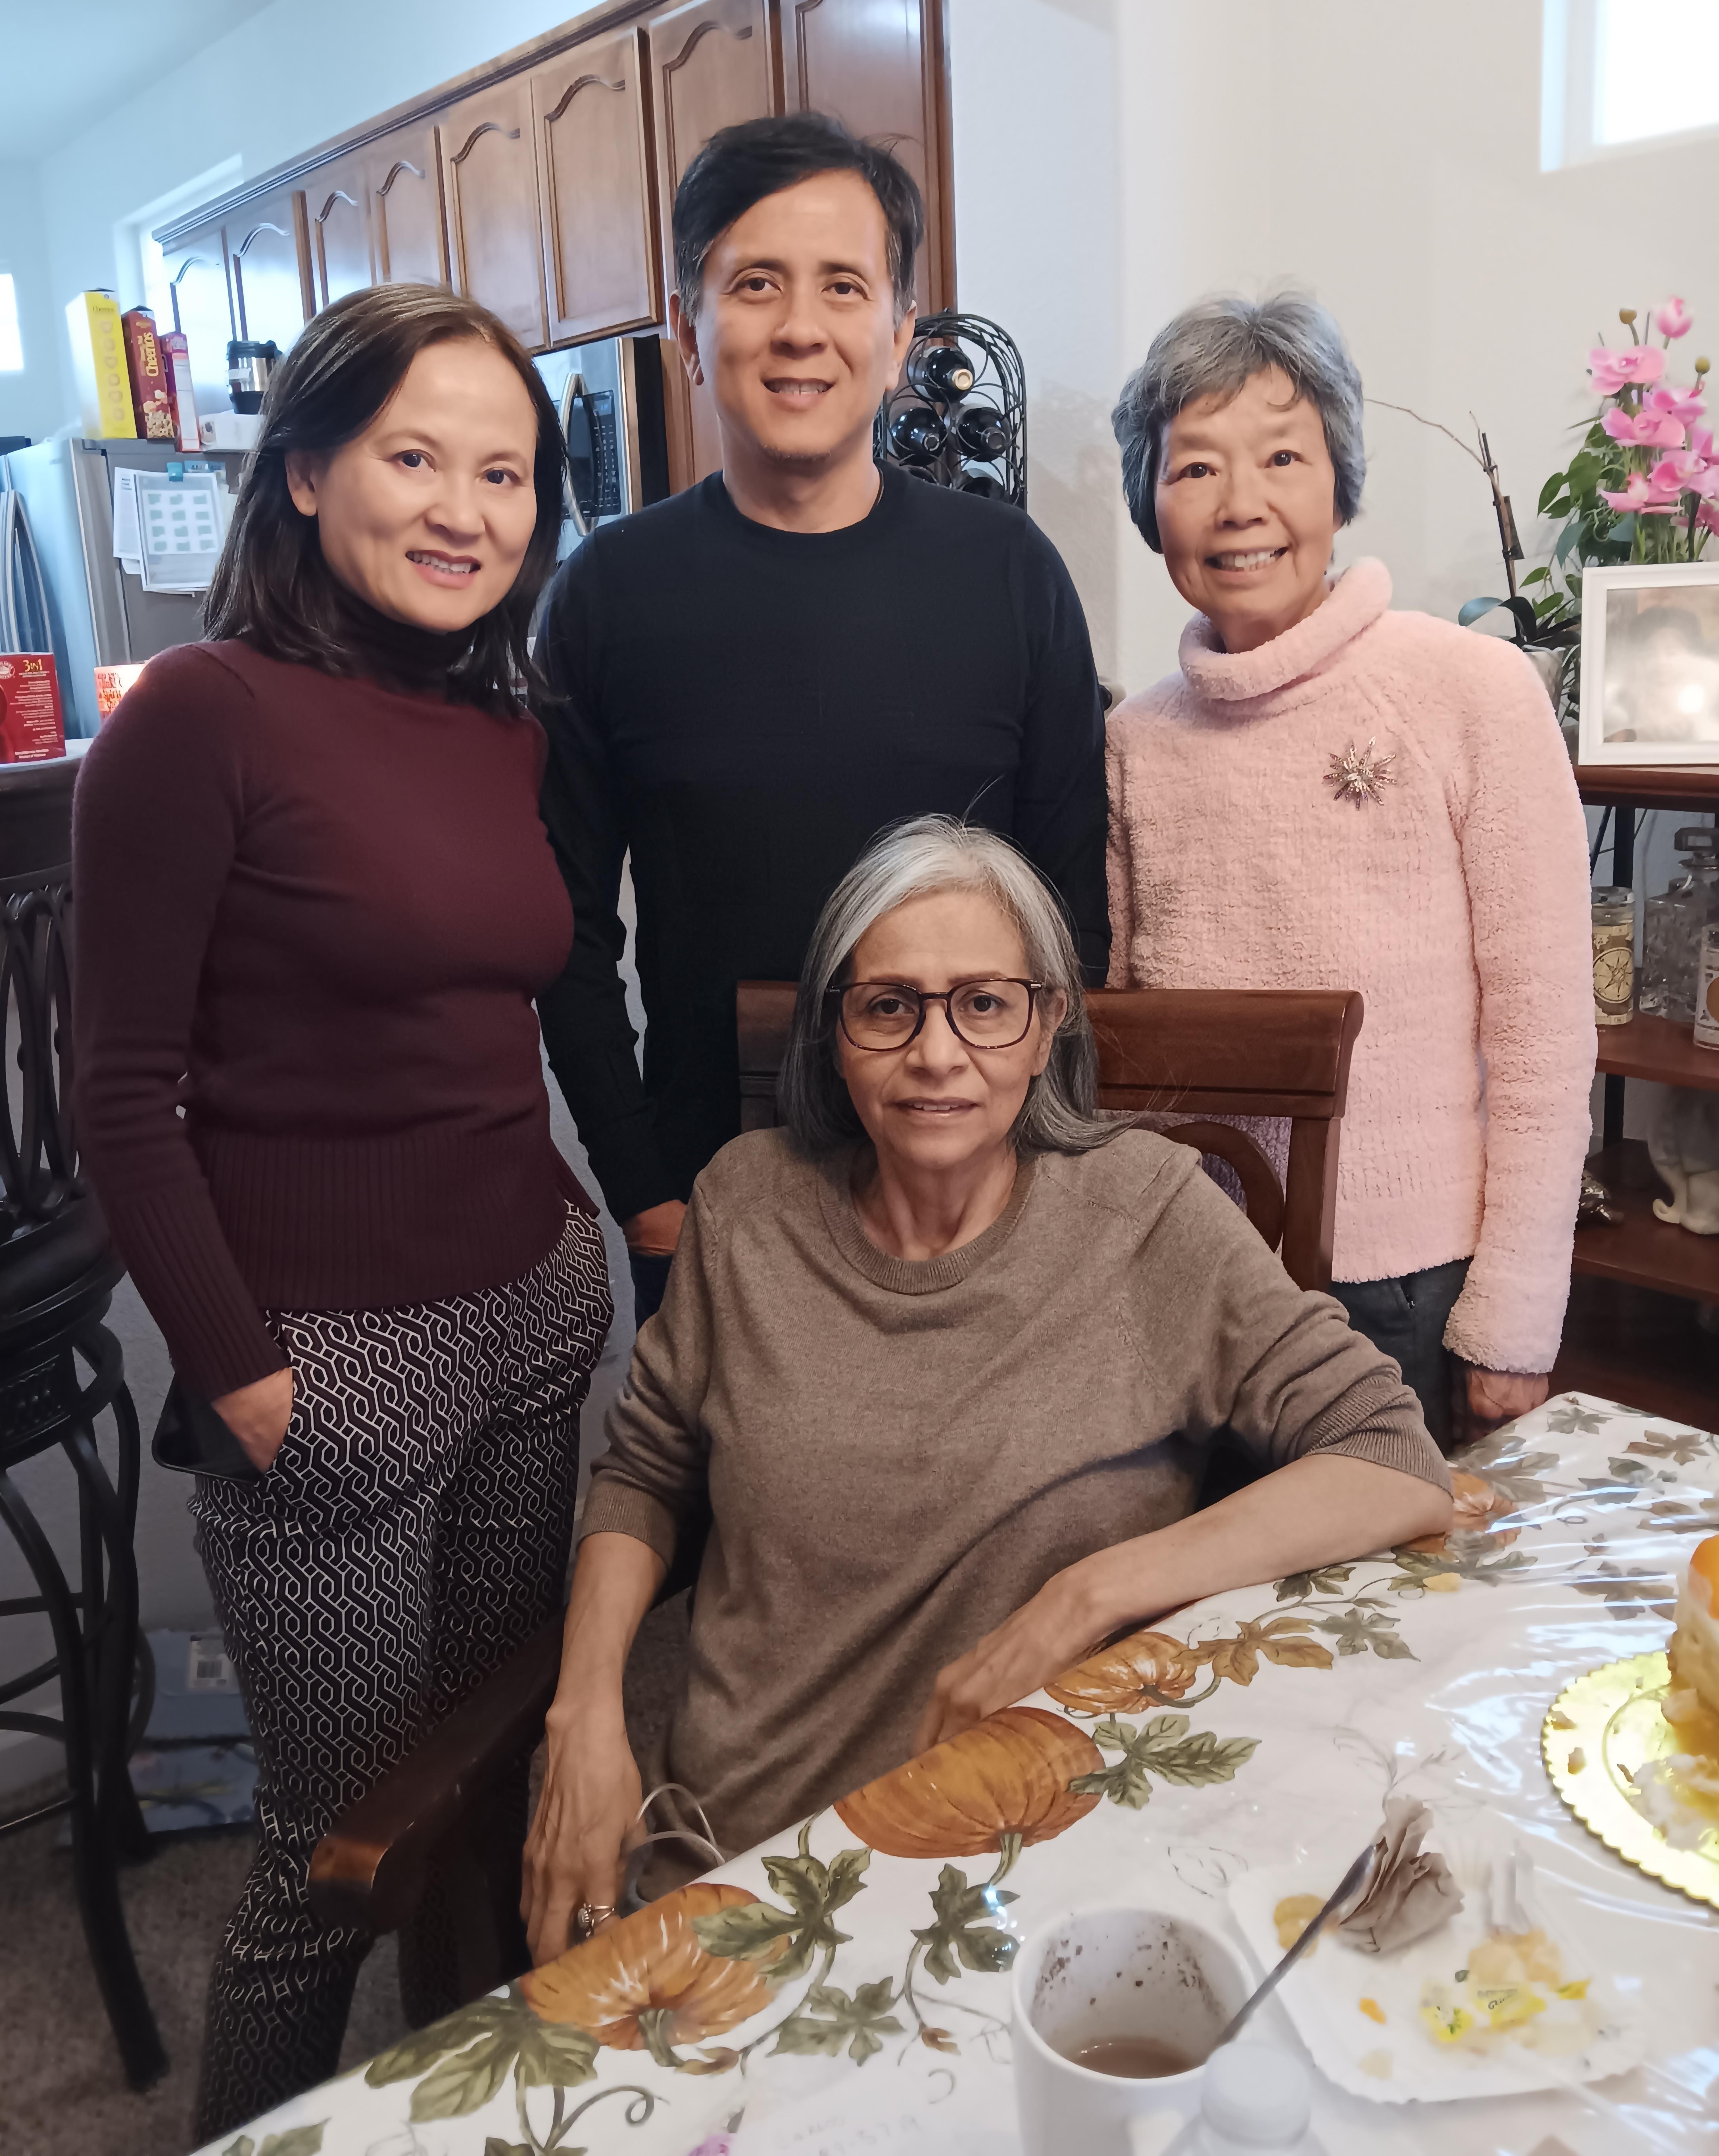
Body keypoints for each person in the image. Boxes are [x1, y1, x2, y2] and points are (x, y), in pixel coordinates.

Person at [520, 816, 1451, 1962]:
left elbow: (1394, 1459)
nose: (938, 1053)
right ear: (835, 1029)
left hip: (1033, 1875)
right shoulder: (745, 1204)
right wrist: (584, 1717)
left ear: (1047, 1022)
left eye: (985, 1003)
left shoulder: (1148, 1215)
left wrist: (1086, 1598)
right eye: (889, 1005)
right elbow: (646, 1467)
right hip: (739, 1853)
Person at [72, 284, 614, 2137]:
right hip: (333, 1378)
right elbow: (118, 1094)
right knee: (326, 1863)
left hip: (533, 1321)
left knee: (487, 1780)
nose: (468, 509)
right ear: (305, 469)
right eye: (415, 458)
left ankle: (468, 2108)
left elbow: (503, 1011)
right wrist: (243, 1376)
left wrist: (570, 1236)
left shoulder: (501, 724)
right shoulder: (199, 719)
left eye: (507, 472)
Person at [535, 113, 1110, 1326]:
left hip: (982, 1181)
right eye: (754, 284)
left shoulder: (1009, 574)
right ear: (690, 325)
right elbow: (568, 932)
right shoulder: (607, 594)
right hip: (711, 1187)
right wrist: (637, 1183)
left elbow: (1071, 911)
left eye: (844, 286)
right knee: (728, 1516)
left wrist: (1052, 1154)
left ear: (901, 333)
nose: (801, 327)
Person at [1105, 293, 1596, 1449]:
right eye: (1196, 469)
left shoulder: (1471, 690)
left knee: (1401, 1615)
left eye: (1284, 456)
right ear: (1150, 503)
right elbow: (1129, 1034)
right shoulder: (1138, 737)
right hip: (1196, 1280)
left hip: (1409, 1292)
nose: (1244, 507)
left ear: (1339, 479)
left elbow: (1542, 1031)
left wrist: (1514, 1317)